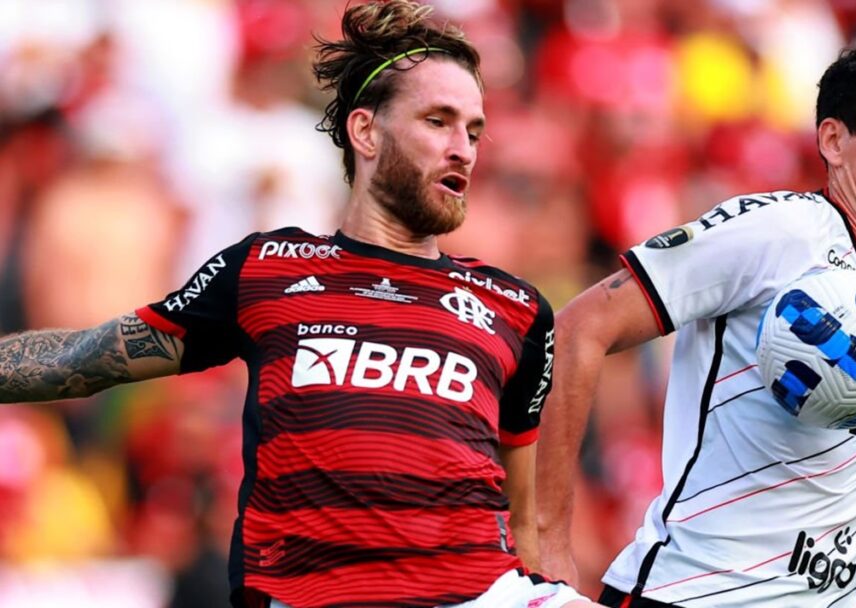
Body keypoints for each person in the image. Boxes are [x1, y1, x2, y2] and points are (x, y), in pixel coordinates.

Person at [0, 2, 605, 607]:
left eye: (473, 131)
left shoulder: (515, 308)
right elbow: (82, 360)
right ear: (366, 131)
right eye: (438, 121)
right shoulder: (265, 270)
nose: (463, 150)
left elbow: (523, 525)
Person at [536, 29, 856, 607]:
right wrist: (547, 543)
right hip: (688, 597)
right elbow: (575, 330)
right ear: (834, 140)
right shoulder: (769, 234)